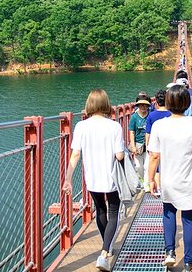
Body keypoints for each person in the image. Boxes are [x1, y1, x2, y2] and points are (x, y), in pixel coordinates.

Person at [148, 85, 192, 272]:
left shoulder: (160, 125)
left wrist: (151, 180)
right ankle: (188, 264)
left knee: (168, 213)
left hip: (168, 178)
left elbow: (154, 156)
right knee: (189, 219)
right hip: (190, 179)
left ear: (167, 103)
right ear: (187, 103)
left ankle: (170, 253)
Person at [62, 89, 125, 272]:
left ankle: (106, 246)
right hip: (112, 178)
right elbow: (119, 156)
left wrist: (68, 178)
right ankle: (105, 252)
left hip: (92, 177)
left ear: (89, 104)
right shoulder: (114, 126)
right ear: (106, 104)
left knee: (100, 210)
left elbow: (75, 155)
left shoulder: (81, 126)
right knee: (114, 212)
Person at [143, 89, 171, 192]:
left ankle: (158, 187)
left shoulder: (151, 115)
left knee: (157, 167)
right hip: (167, 144)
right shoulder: (171, 114)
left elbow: (148, 132)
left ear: (156, 103)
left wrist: (147, 145)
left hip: (155, 145)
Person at [128, 95, 150, 182]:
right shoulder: (134, 117)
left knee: (147, 166)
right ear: (138, 106)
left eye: (145, 105)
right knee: (139, 166)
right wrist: (133, 146)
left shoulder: (150, 116)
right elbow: (132, 132)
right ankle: (142, 180)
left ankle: (147, 183)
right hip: (138, 144)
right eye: (141, 105)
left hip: (148, 144)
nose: (143, 107)